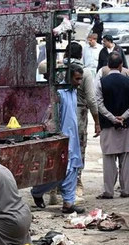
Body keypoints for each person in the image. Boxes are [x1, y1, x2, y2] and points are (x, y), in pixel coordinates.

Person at [31, 64, 85, 214]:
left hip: (72, 138)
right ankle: (37, 191)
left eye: (80, 79)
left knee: (73, 168)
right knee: (61, 171)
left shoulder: (73, 92)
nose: (79, 82)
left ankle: (68, 203)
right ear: (69, 78)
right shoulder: (59, 93)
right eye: (76, 79)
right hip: (61, 138)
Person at [95, 52, 129, 199]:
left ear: (108, 65)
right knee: (126, 157)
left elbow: (99, 104)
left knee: (108, 159)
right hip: (126, 125)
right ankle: (126, 190)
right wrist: (124, 116)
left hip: (108, 126)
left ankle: (108, 191)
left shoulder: (102, 82)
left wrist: (112, 118)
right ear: (121, 65)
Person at [63, 42, 100, 197]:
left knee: (62, 148)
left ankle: (56, 184)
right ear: (81, 55)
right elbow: (91, 99)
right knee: (78, 148)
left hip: (60, 115)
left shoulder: (58, 69)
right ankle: (77, 181)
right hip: (79, 113)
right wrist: (97, 122)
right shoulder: (85, 73)